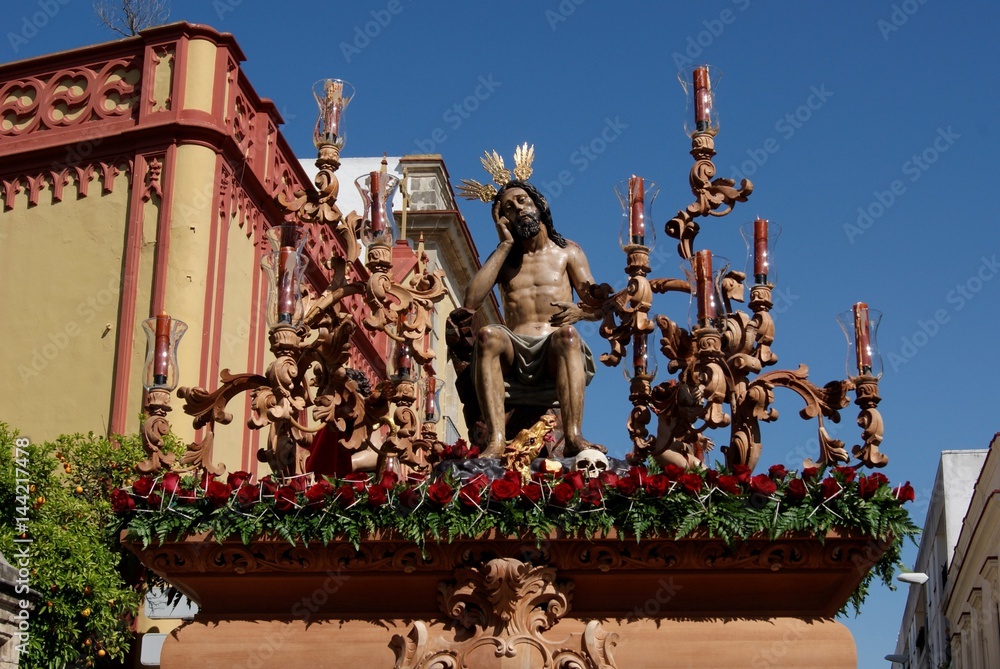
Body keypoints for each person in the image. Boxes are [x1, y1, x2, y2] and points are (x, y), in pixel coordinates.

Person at [463, 180, 607, 458]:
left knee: (568, 335)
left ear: (539, 204)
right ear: (503, 219)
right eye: (509, 208)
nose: (518, 209)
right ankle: (496, 440)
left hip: (553, 348)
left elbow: (598, 306)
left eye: (522, 201)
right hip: (515, 350)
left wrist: (580, 312)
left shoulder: (568, 252)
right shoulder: (504, 259)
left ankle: (573, 437)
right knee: (488, 335)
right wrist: (504, 245)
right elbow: (471, 301)